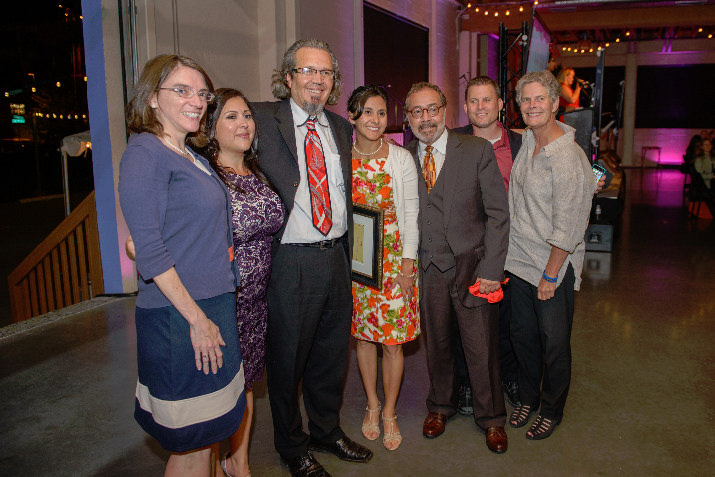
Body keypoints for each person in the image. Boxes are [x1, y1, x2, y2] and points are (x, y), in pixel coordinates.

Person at [118, 55, 245, 477]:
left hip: (212, 303)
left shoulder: (190, 154)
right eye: (182, 90)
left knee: (209, 435)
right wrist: (196, 319)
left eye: (202, 93)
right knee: (191, 445)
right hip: (181, 315)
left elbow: (162, 233)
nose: (197, 101)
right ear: (152, 98)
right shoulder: (145, 154)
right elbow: (151, 249)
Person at [252, 39, 373, 477]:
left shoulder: (340, 127)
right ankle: (291, 445)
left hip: (336, 257)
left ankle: (326, 431)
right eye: (308, 71)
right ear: (288, 78)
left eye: (325, 73)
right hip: (291, 260)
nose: (318, 80)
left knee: (329, 355)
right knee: (288, 360)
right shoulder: (263, 119)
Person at [404, 82, 510, 454]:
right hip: (428, 267)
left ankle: (492, 417)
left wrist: (492, 269)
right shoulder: (404, 156)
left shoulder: (477, 150)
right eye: (417, 112)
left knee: (480, 346)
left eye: (432, 109)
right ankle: (440, 406)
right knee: (439, 344)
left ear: (446, 110)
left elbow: (499, 214)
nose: (426, 118)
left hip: (473, 267)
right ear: (409, 118)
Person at [197, 88, 285, 477]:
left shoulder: (260, 174)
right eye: (231, 117)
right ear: (211, 127)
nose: (243, 123)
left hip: (255, 305)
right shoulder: (203, 177)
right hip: (220, 304)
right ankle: (213, 464)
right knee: (218, 393)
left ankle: (240, 462)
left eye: (247, 115)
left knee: (247, 385)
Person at [506, 70, 597, 440]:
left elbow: (571, 224)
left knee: (554, 343)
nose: (532, 105)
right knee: (524, 338)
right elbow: (506, 136)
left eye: (539, 98)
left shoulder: (567, 156)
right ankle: (527, 397)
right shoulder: (529, 140)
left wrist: (550, 274)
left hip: (551, 268)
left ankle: (552, 408)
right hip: (520, 260)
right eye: (525, 100)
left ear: (556, 103)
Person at [348, 85, 420, 451]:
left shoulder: (400, 158)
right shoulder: (341, 157)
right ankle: (372, 405)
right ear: (352, 117)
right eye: (367, 112)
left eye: (380, 112)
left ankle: (389, 410)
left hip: (394, 260)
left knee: (392, 342)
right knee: (363, 336)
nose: (375, 120)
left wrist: (407, 265)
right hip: (357, 262)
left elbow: (412, 214)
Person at [453, 76, 523, 411]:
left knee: (509, 320)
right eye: (474, 101)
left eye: (487, 100)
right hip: (467, 250)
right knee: (465, 322)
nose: (480, 107)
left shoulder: (521, 144)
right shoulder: (452, 143)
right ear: (465, 107)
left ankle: (508, 376)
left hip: (514, 248)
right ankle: (466, 383)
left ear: (500, 104)